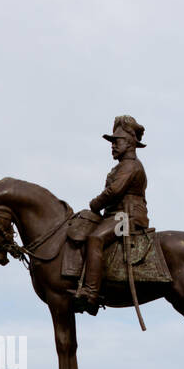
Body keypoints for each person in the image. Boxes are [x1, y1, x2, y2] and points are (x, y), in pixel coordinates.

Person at [72, 115, 150, 314]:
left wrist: (95, 203)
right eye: (112, 142)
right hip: (115, 215)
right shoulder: (121, 165)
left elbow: (114, 191)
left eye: (117, 141)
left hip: (127, 217)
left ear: (131, 143)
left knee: (95, 238)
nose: (113, 145)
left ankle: (91, 292)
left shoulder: (130, 165)